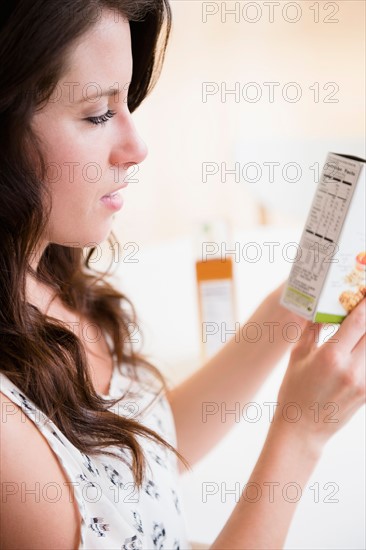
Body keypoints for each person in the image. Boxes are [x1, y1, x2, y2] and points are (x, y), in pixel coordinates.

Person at [0, 1, 364, 549]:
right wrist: (301, 433)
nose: (137, 147)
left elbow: (141, 458)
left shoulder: (48, 269)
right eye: (99, 113)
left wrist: (285, 312)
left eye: (128, 103)